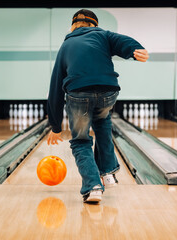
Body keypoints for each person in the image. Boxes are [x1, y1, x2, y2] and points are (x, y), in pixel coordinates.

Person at [47, 9, 149, 203]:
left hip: (78, 94)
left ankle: (93, 185)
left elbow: (55, 88)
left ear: (72, 26)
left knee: (81, 140)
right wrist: (136, 50)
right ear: (94, 24)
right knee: (102, 123)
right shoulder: (103, 35)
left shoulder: (66, 45)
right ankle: (108, 172)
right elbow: (123, 41)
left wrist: (55, 126)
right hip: (108, 91)